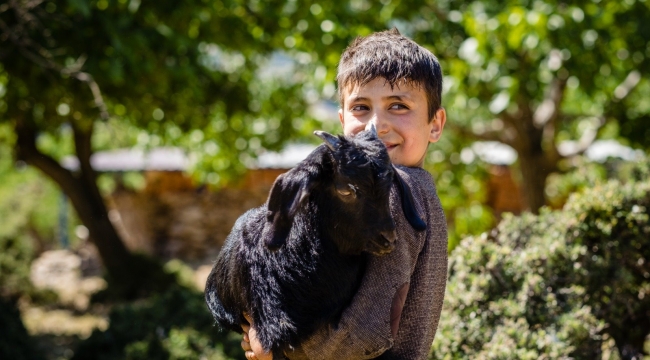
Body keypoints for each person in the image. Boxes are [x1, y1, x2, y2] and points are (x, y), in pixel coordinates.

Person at [241, 28, 448, 360]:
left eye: (398, 105)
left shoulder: (395, 191)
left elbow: (365, 332)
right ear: (341, 121)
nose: (375, 126)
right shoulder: (419, 188)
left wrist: (280, 348)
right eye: (361, 107)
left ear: (435, 124)